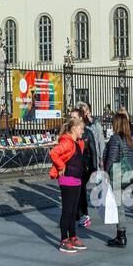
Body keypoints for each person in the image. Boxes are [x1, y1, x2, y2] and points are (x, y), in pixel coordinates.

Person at [49, 110, 89, 254]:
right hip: (67, 180)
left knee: (73, 212)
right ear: (74, 128)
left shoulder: (77, 142)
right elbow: (53, 153)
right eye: (81, 129)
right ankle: (63, 240)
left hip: (76, 180)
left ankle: (73, 236)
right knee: (67, 211)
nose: (83, 131)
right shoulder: (67, 141)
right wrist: (61, 166)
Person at [103, 109, 133, 248]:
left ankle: (121, 236)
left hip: (117, 174)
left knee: (119, 206)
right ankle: (121, 235)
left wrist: (105, 172)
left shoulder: (115, 138)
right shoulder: (129, 138)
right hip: (128, 174)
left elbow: (112, 157)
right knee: (119, 205)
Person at [77, 102, 105, 229]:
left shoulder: (95, 124)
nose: (84, 112)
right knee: (82, 186)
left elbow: (100, 141)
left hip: (94, 158)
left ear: (89, 110)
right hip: (82, 161)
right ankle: (82, 212)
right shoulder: (77, 124)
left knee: (99, 181)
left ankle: (103, 203)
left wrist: (101, 158)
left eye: (85, 110)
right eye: (81, 110)